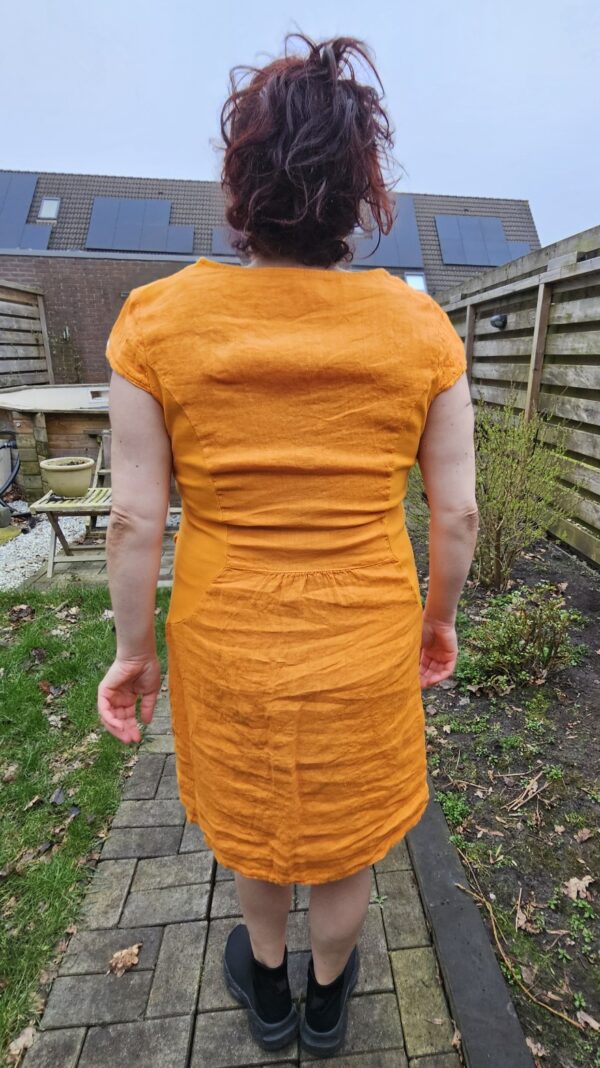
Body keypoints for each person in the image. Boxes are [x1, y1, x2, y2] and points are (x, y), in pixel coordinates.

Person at [97, 32, 479, 1059]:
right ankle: (327, 999)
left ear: (242, 184)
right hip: (365, 633)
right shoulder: (420, 329)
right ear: (361, 191)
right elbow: (456, 515)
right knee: (347, 840)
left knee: (258, 821)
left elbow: (134, 520)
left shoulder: (157, 322)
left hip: (228, 637)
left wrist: (133, 652)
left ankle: (267, 992)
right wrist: (438, 620)